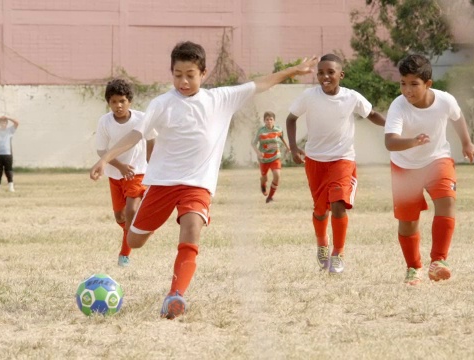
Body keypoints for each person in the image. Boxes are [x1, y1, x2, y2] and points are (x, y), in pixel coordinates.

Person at [90, 41, 317, 319]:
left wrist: (293, 70)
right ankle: (145, 230)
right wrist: (105, 159)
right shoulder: (161, 104)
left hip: (198, 184)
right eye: (177, 74)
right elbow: (135, 134)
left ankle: (175, 296)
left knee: (192, 228)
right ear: (170, 72)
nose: (183, 81)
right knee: (135, 241)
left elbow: (261, 83)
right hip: (162, 182)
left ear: (204, 73)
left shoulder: (221, 99)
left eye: (190, 74)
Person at [285, 53, 386, 275]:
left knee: (338, 204)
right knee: (321, 211)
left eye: (330, 72)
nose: (325, 76)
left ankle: (338, 254)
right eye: (321, 72)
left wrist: (392, 127)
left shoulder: (351, 97)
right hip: (315, 160)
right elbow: (291, 118)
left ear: (341, 74)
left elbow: (372, 114)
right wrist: (293, 147)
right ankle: (322, 244)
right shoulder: (309, 97)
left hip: (342, 158)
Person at [384, 54, 474, 285]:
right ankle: (413, 268)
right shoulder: (398, 106)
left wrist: (467, 143)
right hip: (405, 166)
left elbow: (457, 117)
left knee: (447, 200)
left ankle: (439, 261)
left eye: (414, 84)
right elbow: (390, 142)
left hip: (437, 159)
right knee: (408, 222)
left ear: (428, 84)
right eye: (403, 83)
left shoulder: (445, 100)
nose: (407, 90)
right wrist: (412, 142)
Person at [95, 78, 156, 267]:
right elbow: (101, 151)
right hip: (115, 174)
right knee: (120, 217)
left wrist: (149, 161)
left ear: (129, 101)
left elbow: (152, 138)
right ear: (109, 103)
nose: (118, 105)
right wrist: (119, 166)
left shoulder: (141, 118)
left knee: (131, 211)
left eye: (122, 101)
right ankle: (138, 231)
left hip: (137, 172)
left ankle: (125, 254)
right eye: (113, 101)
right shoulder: (104, 122)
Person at [252, 111, 290, 203]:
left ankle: (270, 197)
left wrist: (288, 147)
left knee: (277, 175)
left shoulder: (279, 129)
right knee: (264, 177)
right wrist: (258, 153)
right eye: (267, 120)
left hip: (275, 157)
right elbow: (253, 143)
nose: (269, 121)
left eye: (271, 119)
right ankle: (263, 184)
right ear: (264, 121)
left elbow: (282, 138)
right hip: (264, 159)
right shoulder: (261, 131)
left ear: (274, 120)